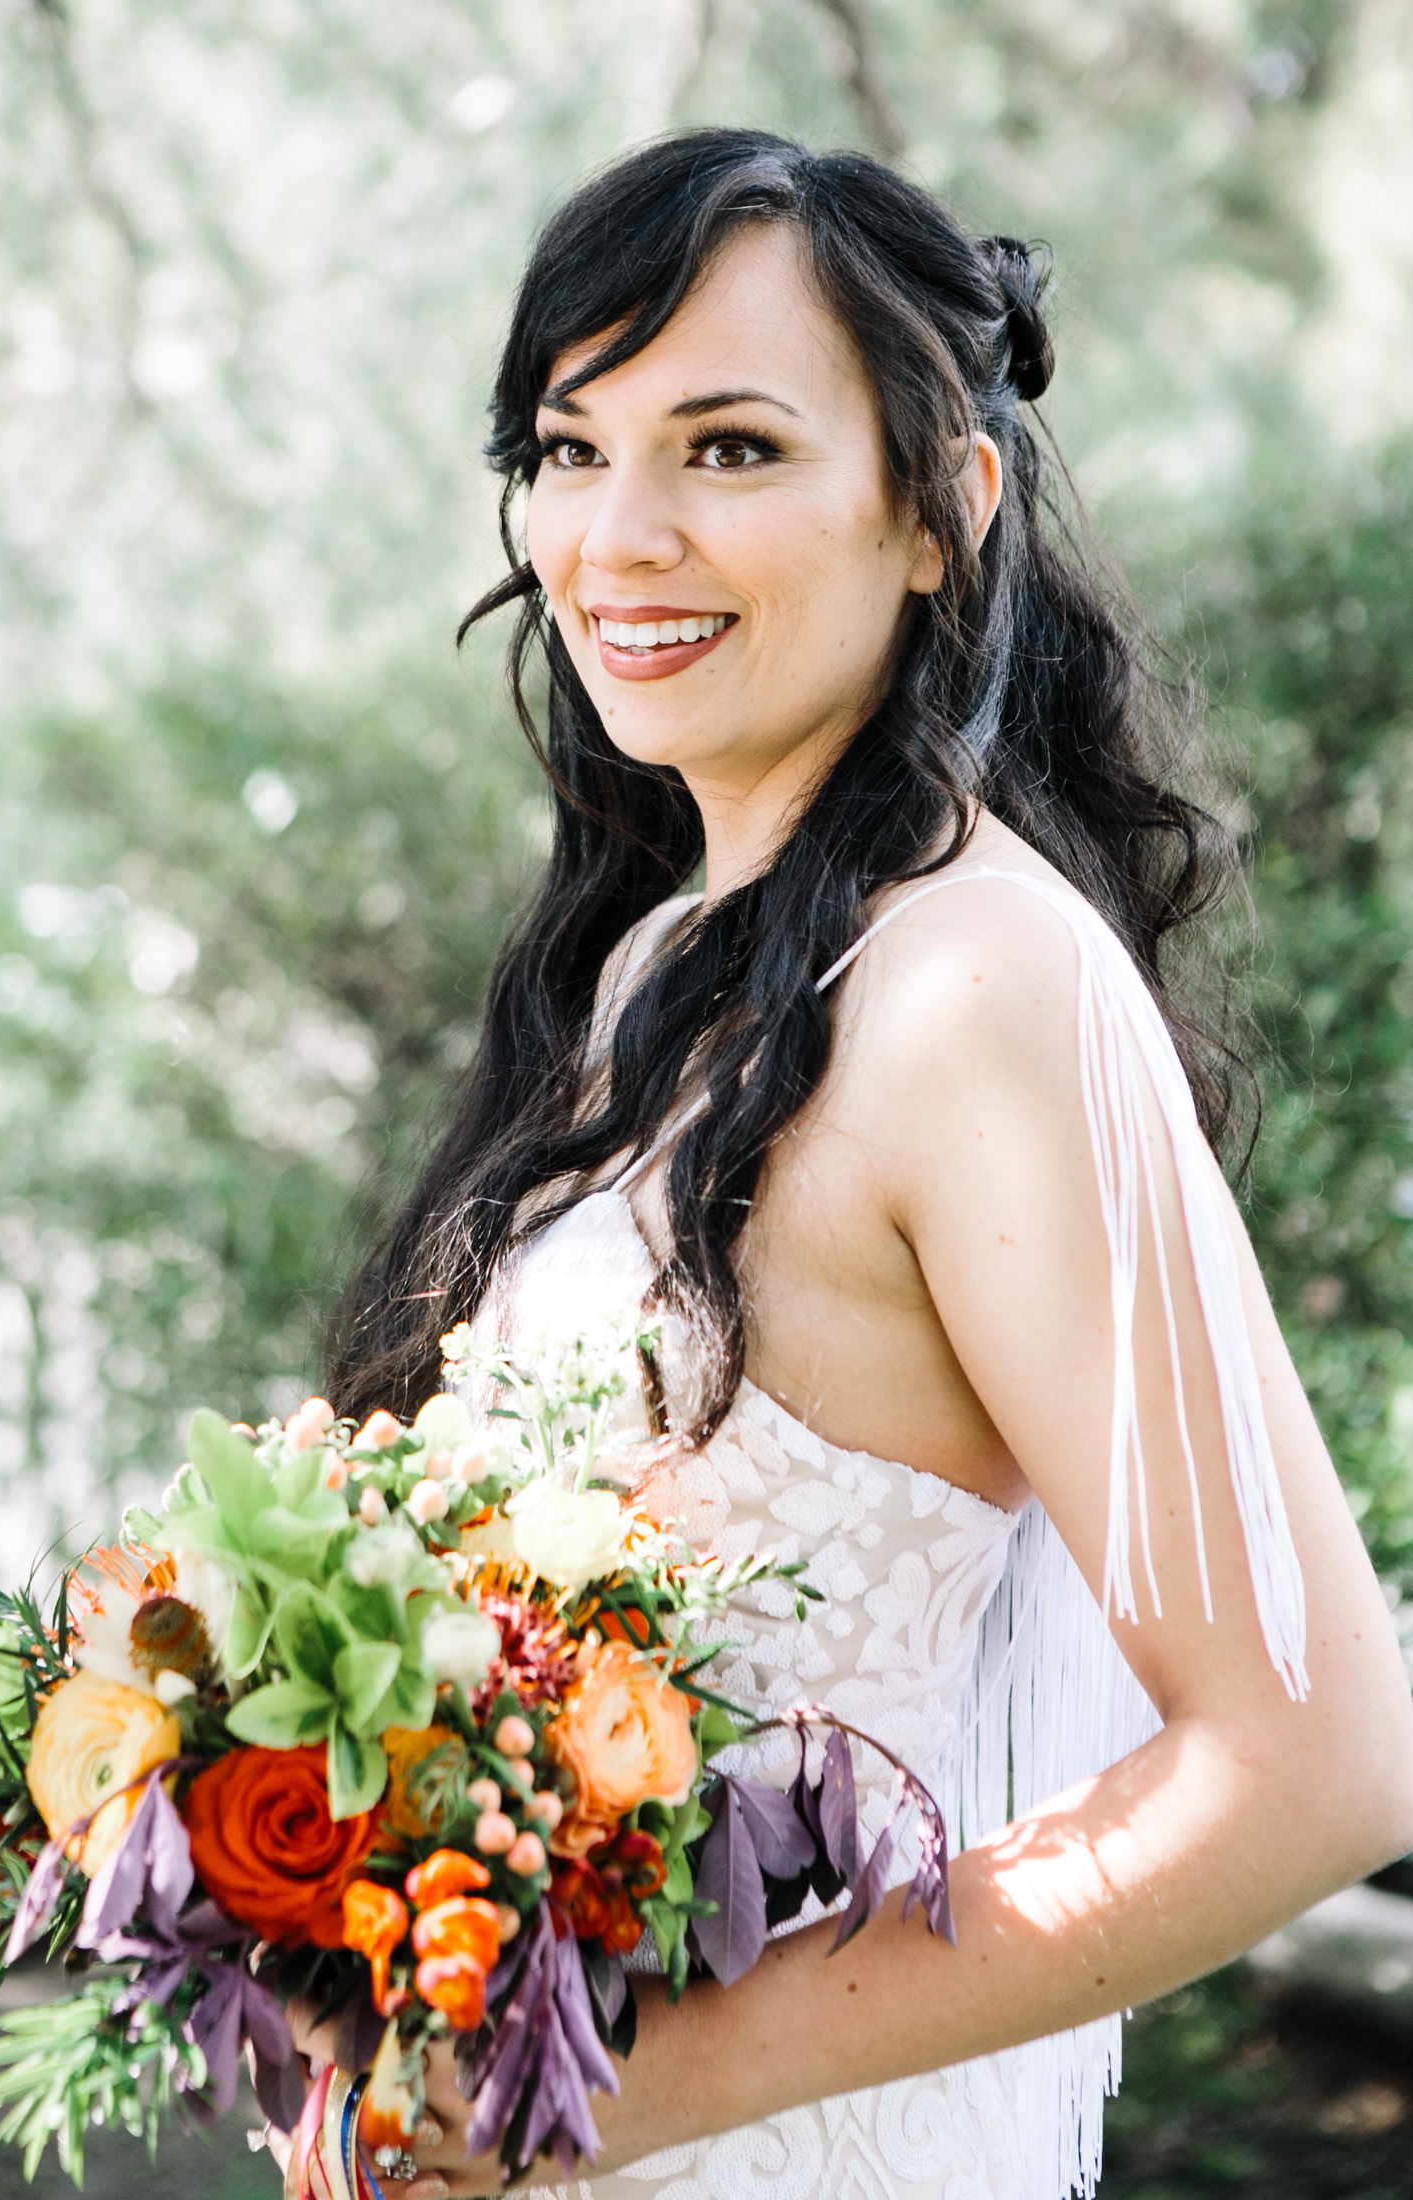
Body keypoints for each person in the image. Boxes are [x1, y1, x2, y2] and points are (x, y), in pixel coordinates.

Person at [327, 130, 1413, 2200]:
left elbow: (1309, 1761)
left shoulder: (975, 986)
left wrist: (624, 2091)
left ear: (940, 509)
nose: (613, 536)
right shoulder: (659, 961)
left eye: (725, 448)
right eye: (568, 448)